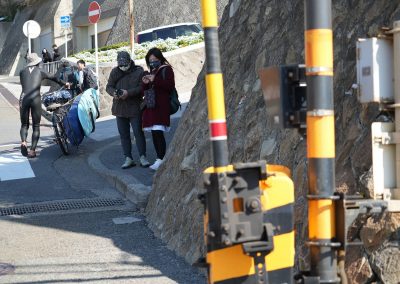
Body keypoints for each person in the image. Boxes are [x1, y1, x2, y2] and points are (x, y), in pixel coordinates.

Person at [106, 51, 150, 169]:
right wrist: (114, 93)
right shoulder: (115, 71)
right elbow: (108, 87)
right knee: (124, 135)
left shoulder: (139, 71)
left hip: (135, 107)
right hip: (119, 108)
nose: (123, 67)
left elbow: (142, 88)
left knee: (138, 133)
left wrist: (128, 93)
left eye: (125, 64)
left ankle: (142, 157)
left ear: (130, 61)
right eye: (121, 65)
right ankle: (128, 158)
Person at [19, 53, 67, 158]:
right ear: (37, 62)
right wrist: (65, 83)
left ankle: (23, 142)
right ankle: (32, 151)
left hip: (23, 98)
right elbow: (54, 78)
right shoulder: (41, 71)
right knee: (36, 126)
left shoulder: (22, 72)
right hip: (35, 98)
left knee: (24, 124)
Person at [142, 47, 175, 170]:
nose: (152, 62)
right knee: (155, 134)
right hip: (151, 107)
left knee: (158, 133)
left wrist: (155, 79)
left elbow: (169, 86)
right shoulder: (151, 71)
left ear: (160, 58)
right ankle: (159, 158)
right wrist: (145, 82)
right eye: (150, 60)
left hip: (161, 107)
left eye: (155, 59)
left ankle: (161, 158)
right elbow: (144, 91)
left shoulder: (166, 70)